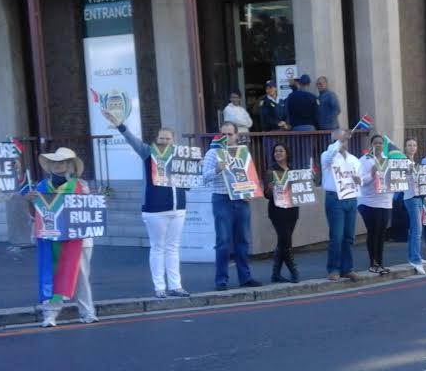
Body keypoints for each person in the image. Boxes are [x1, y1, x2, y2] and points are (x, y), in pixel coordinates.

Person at [107, 112, 191, 298]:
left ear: (174, 140)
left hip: (178, 208)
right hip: (155, 209)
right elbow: (132, 140)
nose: (164, 141)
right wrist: (120, 125)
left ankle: (176, 286)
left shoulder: (180, 155)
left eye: (168, 138)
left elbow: (190, 178)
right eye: (161, 138)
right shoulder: (148, 152)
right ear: (156, 139)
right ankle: (160, 287)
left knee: (173, 247)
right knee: (158, 247)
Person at [32, 148, 98, 327]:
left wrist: (96, 201)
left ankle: (87, 312)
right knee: (51, 275)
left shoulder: (81, 185)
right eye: (55, 162)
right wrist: (29, 201)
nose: (58, 165)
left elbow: (89, 209)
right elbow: (34, 213)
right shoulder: (40, 187)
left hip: (79, 239)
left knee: (82, 277)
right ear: (50, 165)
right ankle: (50, 314)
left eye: (62, 162)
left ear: (69, 165)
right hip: (51, 238)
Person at [202, 122, 261, 291]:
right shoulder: (213, 153)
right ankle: (221, 280)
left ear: (236, 135)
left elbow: (249, 175)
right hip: (222, 199)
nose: (227, 137)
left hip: (241, 200)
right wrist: (217, 169)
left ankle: (245, 277)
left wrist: (251, 191)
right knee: (223, 241)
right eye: (224, 134)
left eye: (230, 134)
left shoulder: (242, 153)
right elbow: (204, 178)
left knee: (243, 241)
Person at [322, 129, 361, 281]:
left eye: (345, 139)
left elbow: (360, 178)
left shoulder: (353, 159)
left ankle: (347, 268)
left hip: (351, 198)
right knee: (336, 236)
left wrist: (359, 180)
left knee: (349, 236)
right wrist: (338, 141)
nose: (343, 141)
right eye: (340, 139)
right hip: (335, 198)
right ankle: (333, 268)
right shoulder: (327, 155)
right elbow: (331, 154)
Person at [265, 143, 300, 283]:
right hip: (277, 210)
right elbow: (266, 195)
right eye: (275, 151)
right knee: (286, 241)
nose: (278, 153)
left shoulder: (293, 170)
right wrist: (269, 189)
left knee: (282, 242)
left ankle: (275, 274)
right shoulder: (270, 171)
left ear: (287, 153)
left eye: (281, 151)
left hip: (292, 209)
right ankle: (294, 271)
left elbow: (300, 188)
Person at [358, 134, 393, 275]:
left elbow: (394, 180)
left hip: (385, 201)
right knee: (373, 232)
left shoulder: (388, 160)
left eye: (380, 143)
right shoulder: (365, 160)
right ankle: (373, 263)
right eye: (376, 143)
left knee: (381, 233)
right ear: (371, 145)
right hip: (368, 202)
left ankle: (380, 263)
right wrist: (371, 175)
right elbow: (360, 181)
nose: (378, 145)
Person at [403, 138, 426, 275]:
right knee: (417, 230)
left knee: (416, 229)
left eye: (414, 145)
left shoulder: (416, 164)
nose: (412, 147)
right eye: (409, 145)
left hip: (419, 197)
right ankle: (415, 260)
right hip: (410, 197)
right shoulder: (403, 163)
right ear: (405, 148)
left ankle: (415, 256)